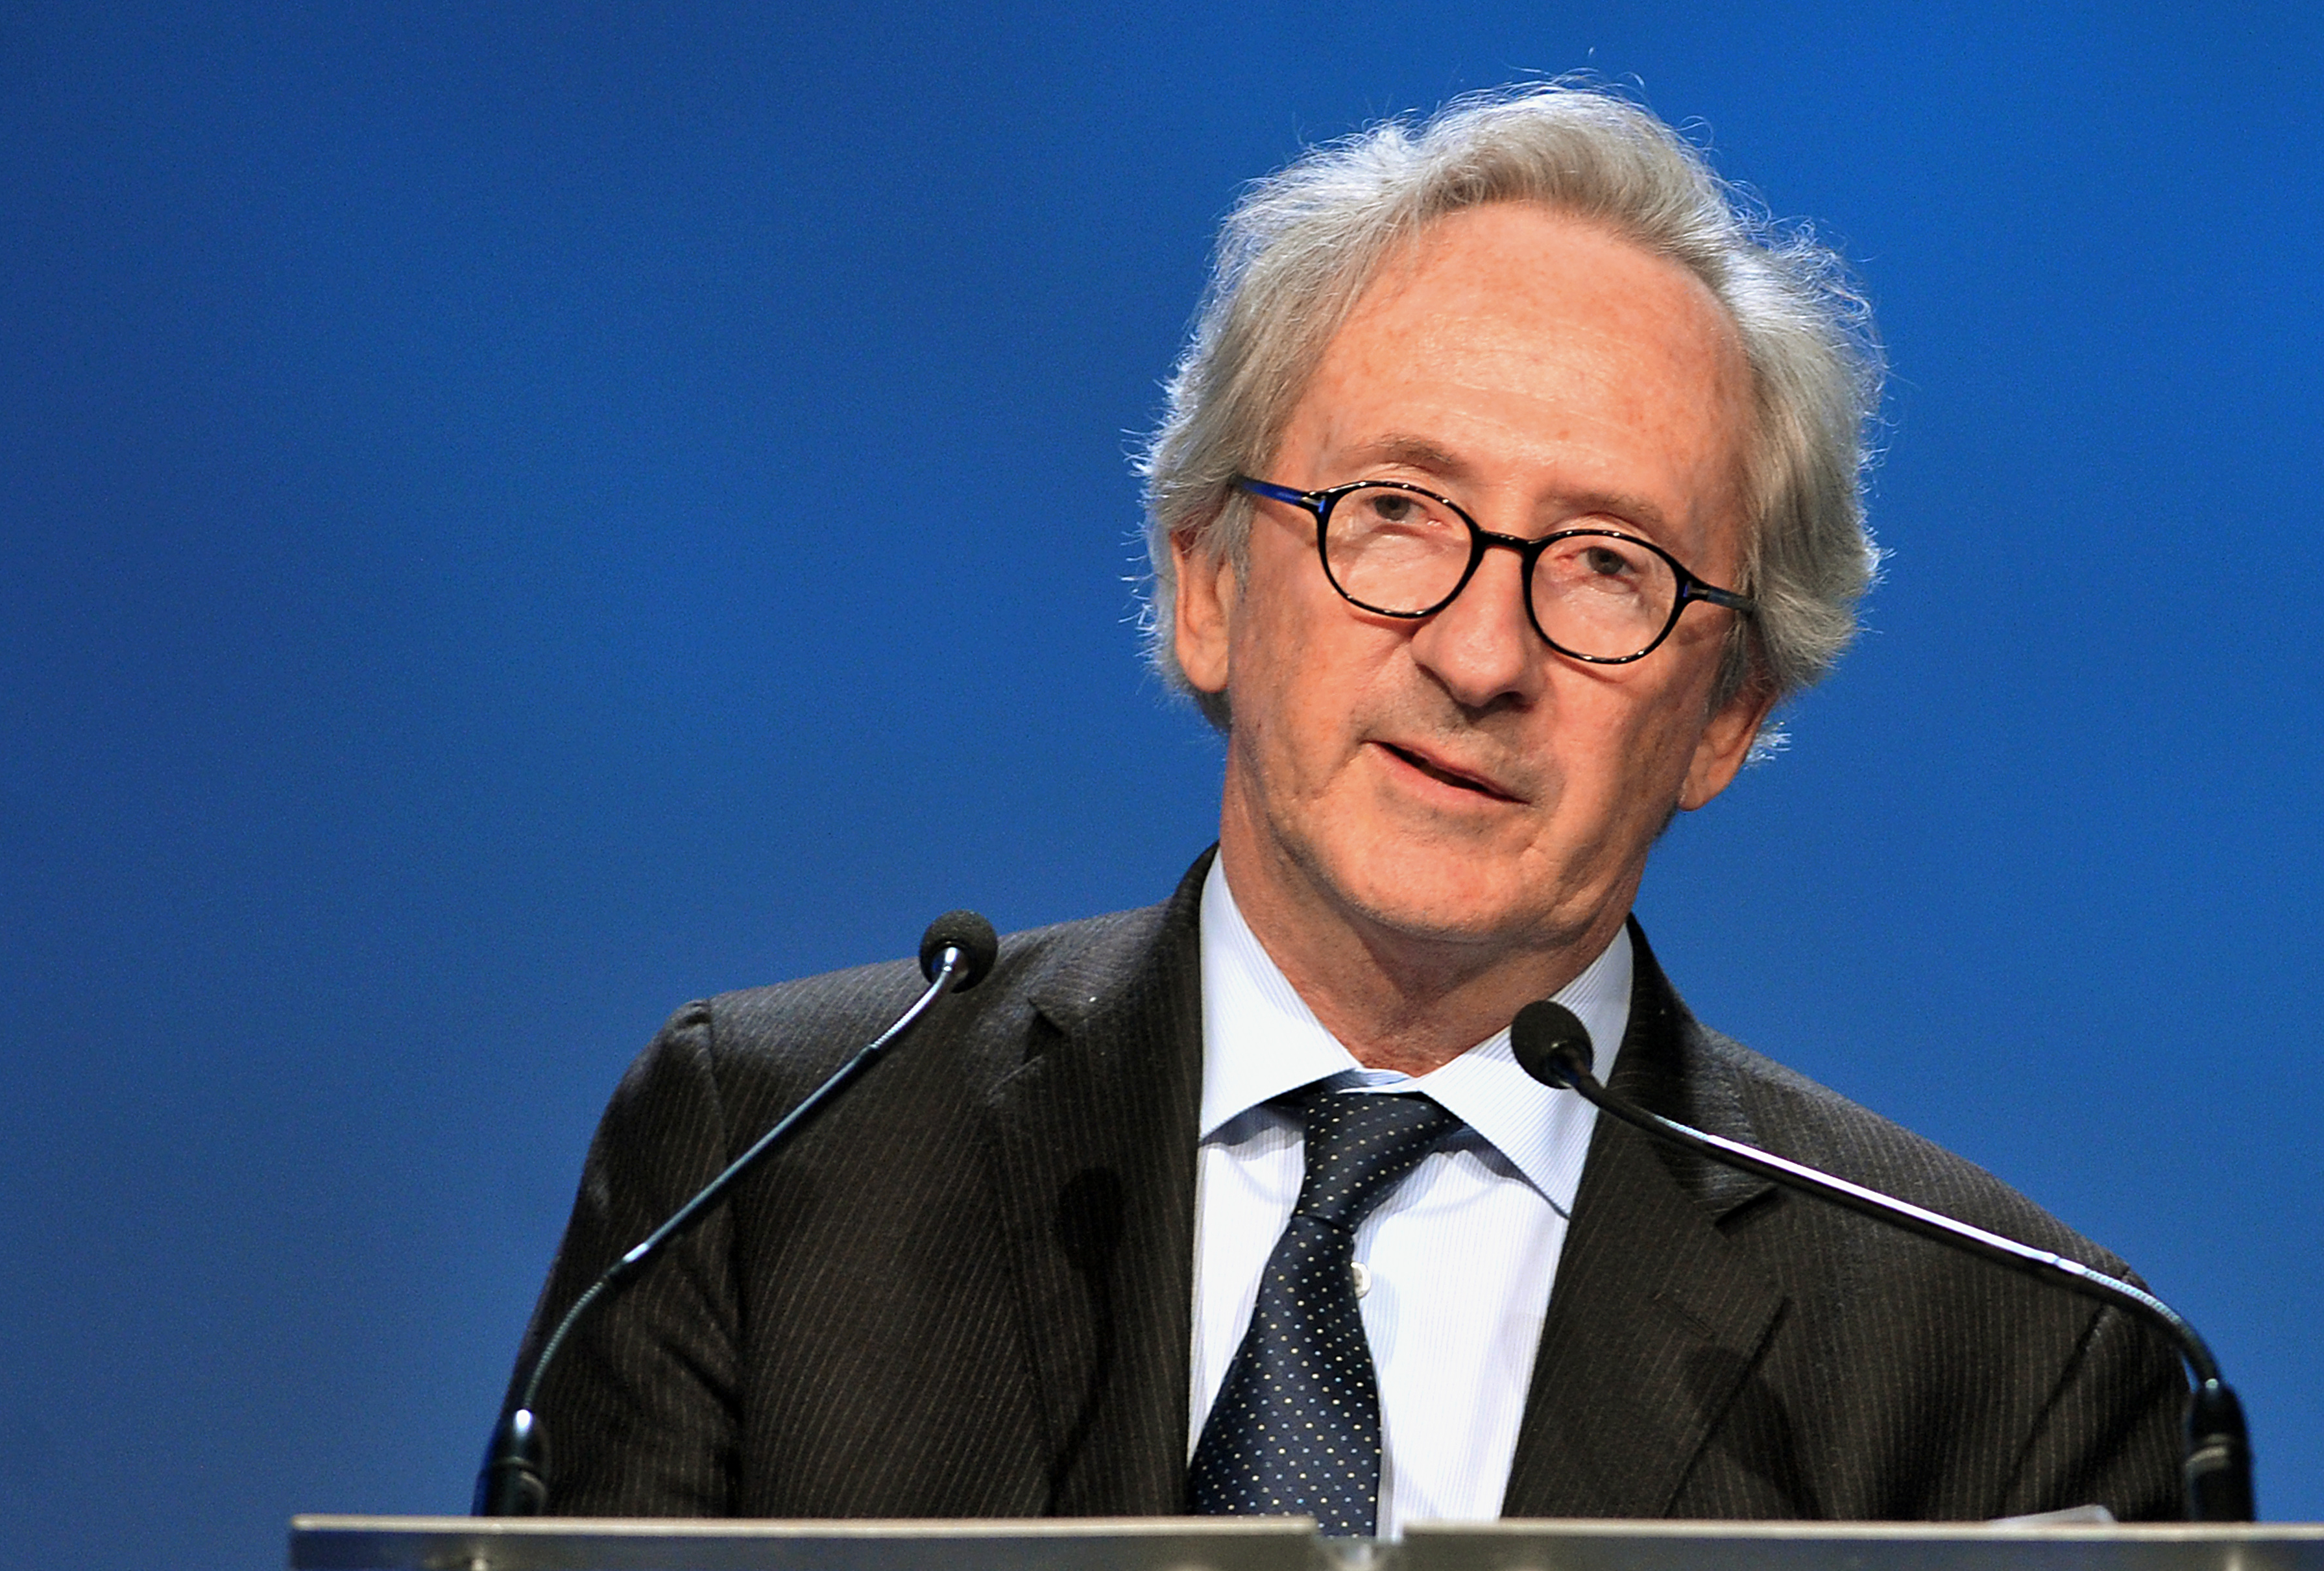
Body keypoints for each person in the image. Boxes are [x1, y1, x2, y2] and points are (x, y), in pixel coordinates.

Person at [498, 84, 2184, 1529]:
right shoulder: (767, 1173)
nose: (1477, 653)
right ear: (1208, 583)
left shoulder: (2009, 1371)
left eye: (1605, 568)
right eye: (1396, 512)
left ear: (1725, 714)